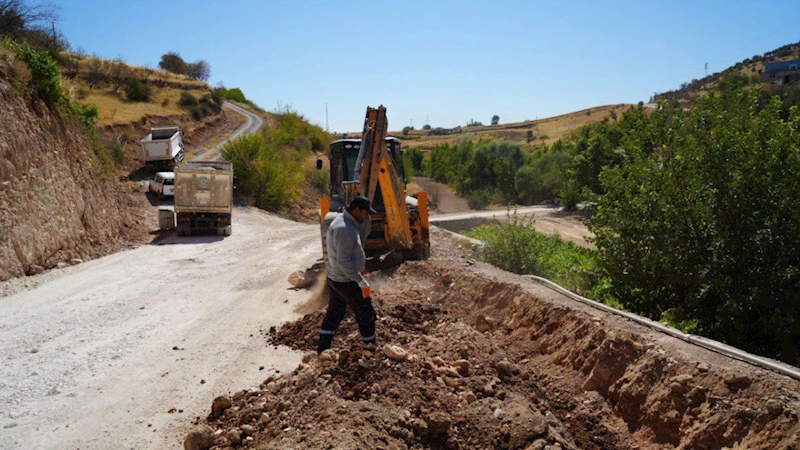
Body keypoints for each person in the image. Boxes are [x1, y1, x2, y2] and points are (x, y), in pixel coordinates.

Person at [317, 196, 377, 354]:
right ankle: (370, 350)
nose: (367, 217)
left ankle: (323, 350)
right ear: (356, 210)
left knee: (334, 314)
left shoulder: (343, 222)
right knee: (366, 313)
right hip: (346, 281)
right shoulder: (345, 229)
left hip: (336, 279)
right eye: (365, 213)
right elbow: (344, 261)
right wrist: (360, 281)